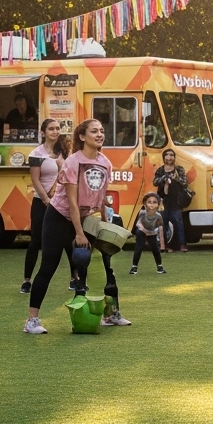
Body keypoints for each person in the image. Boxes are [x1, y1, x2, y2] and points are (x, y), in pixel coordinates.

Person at [25, 118, 129, 333]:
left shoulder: (105, 163)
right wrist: (79, 234)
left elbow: (101, 197)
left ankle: (110, 314)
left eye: (101, 130)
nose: (100, 134)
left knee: (103, 265)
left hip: (85, 218)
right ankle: (32, 320)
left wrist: (106, 226)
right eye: (94, 131)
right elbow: (72, 201)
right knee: (48, 266)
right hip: (58, 217)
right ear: (82, 137)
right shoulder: (73, 161)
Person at [21, 119, 69, 294]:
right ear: (43, 132)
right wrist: (46, 200)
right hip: (42, 201)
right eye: (51, 129)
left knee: (67, 240)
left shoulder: (63, 150)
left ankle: (75, 278)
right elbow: (35, 180)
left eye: (57, 129)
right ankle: (26, 280)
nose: (55, 132)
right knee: (36, 240)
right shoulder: (36, 153)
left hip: (62, 202)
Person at [154, 149, 190, 252]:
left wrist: (176, 179)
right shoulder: (160, 170)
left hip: (176, 201)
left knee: (178, 223)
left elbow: (185, 183)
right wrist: (164, 178)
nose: (169, 157)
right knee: (163, 223)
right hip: (163, 201)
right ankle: (165, 245)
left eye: (171, 155)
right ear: (163, 157)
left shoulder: (179, 170)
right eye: (167, 155)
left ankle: (182, 245)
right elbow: (155, 182)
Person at [129, 192, 166, 275]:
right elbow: (139, 224)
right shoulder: (142, 213)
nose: (152, 205)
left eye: (154, 202)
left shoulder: (158, 216)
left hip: (152, 233)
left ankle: (159, 266)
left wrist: (162, 243)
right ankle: (134, 267)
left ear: (158, 204)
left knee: (155, 250)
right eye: (149, 202)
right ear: (145, 204)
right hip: (142, 232)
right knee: (138, 249)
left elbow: (160, 228)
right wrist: (145, 233)